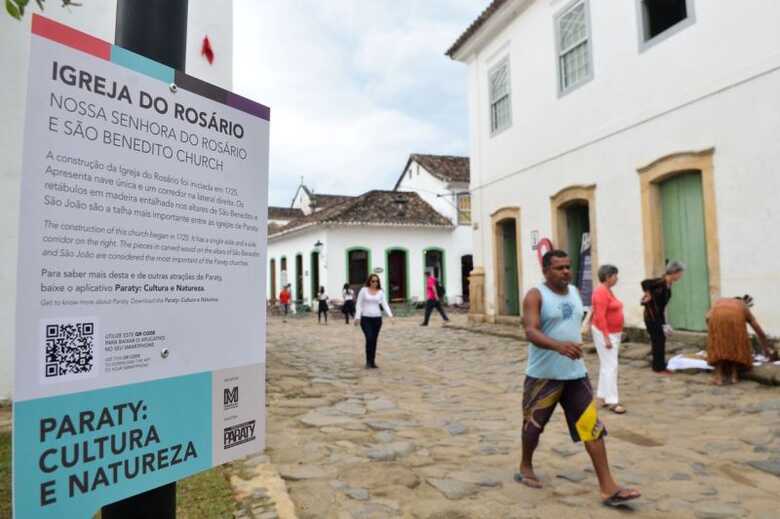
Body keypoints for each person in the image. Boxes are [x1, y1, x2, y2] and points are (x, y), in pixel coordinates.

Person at [518, 250, 640, 507]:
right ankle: (525, 464)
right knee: (533, 427)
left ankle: (609, 488)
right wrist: (559, 346)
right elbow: (530, 330)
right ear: (545, 271)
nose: (565, 271)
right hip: (544, 376)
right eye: (558, 268)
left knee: (592, 428)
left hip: (575, 375)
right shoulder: (535, 295)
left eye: (567, 266)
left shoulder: (574, 292)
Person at [706, 295, 772, 385]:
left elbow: (707, 317)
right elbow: (757, 329)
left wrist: (713, 331)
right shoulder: (743, 306)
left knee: (718, 346)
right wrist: (766, 348)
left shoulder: (719, 301)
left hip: (716, 317)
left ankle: (719, 378)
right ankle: (734, 377)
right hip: (735, 320)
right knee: (737, 345)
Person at [591, 265, 625, 414]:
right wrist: (606, 337)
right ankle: (612, 401)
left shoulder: (607, 291)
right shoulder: (600, 292)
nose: (617, 278)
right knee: (611, 366)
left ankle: (603, 396)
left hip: (613, 332)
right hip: (605, 332)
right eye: (615, 275)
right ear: (608, 277)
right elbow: (600, 316)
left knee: (607, 365)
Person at [641, 261, 685, 374]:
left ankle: (659, 365)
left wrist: (665, 323)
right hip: (651, 317)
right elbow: (645, 283)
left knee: (660, 340)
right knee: (658, 341)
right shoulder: (661, 281)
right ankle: (658, 367)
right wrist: (648, 294)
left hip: (658, 316)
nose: (681, 276)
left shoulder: (668, 284)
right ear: (674, 272)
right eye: (680, 273)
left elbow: (662, 305)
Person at [354, 274, 393, 369]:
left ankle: (373, 362)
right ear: (369, 281)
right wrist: (357, 317)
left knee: (374, 340)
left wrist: (390, 315)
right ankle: (368, 361)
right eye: (373, 281)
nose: (375, 283)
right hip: (365, 319)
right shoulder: (363, 290)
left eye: (376, 281)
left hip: (377, 319)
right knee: (369, 338)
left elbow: (385, 304)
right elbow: (359, 304)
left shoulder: (380, 292)